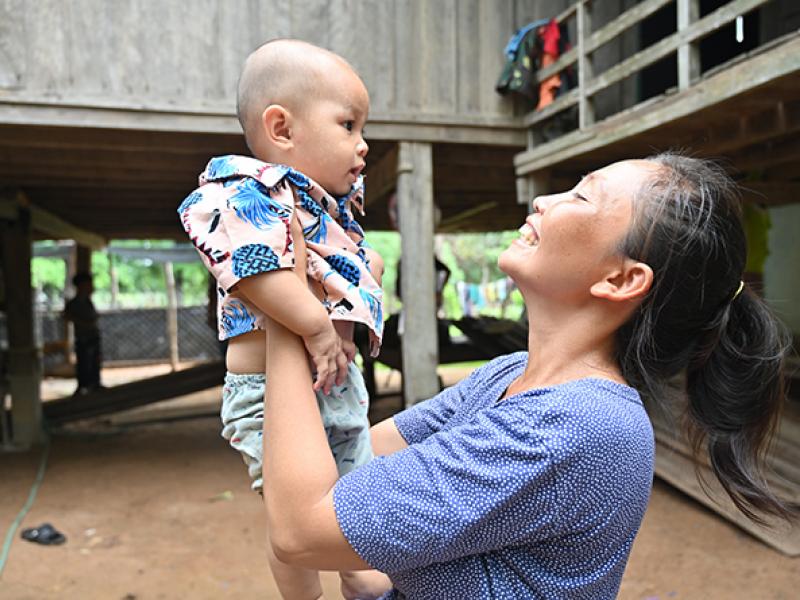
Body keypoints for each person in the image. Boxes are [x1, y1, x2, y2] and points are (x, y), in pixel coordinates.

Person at [260, 153, 797, 599]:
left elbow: (301, 529)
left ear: (621, 279)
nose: (544, 201)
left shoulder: (581, 428)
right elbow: (354, 459)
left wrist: (282, 300)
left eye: (582, 196)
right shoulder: (507, 374)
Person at [177, 40, 389, 599]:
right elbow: (253, 271)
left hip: (339, 386)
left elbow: (342, 272)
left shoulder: (326, 206)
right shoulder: (248, 193)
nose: (363, 145)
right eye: (348, 125)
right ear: (282, 128)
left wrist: (359, 284)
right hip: (269, 389)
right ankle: (305, 595)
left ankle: (359, 576)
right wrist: (318, 326)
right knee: (292, 513)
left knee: (355, 499)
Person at [64, 272, 102, 395]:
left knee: (94, 361)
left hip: (92, 335)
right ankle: (84, 385)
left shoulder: (87, 301)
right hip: (83, 337)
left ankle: (94, 384)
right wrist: (84, 323)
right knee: (84, 362)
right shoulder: (75, 303)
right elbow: (66, 316)